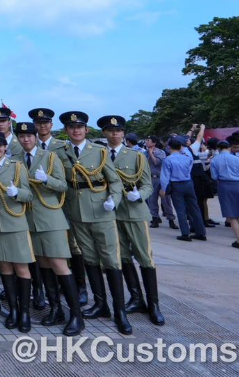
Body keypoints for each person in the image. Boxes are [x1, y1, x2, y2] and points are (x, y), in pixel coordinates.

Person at [53, 111, 131, 336]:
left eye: (79, 127)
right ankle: (100, 304)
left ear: (86, 130)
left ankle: (120, 311)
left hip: (101, 210)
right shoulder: (60, 153)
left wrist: (113, 200)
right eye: (71, 127)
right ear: (66, 131)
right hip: (76, 212)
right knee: (89, 259)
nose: (75, 130)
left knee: (111, 260)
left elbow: (114, 181)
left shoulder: (99, 151)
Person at [12, 123, 84, 335]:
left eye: (29, 136)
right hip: (29, 219)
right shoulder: (15, 160)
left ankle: (76, 315)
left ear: (36, 137)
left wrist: (47, 180)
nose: (26, 139)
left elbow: (62, 185)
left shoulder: (50, 157)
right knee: (43, 264)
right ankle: (55, 309)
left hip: (50, 217)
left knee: (59, 264)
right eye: (21, 136)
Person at [98, 115, 164, 326]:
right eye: (110, 131)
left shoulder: (136, 156)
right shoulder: (99, 155)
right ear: (104, 133)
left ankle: (154, 305)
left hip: (133, 211)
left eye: (118, 131)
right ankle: (136, 298)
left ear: (123, 133)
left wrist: (140, 195)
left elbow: (147, 185)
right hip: (111, 213)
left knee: (145, 257)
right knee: (123, 257)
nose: (114, 134)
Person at [0, 132, 35, 333]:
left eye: (0, 145)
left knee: (21, 268)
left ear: (5, 147)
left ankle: (25, 312)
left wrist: (17, 192)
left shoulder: (17, 166)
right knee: (5, 268)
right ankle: (13, 310)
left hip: (15, 222)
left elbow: (29, 195)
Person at [160, 138, 207, 243]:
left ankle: (185, 233)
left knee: (180, 210)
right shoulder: (187, 157)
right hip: (188, 183)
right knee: (195, 208)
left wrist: (163, 189)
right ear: (180, 147)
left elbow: (165, 176)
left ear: (169, 147)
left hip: (176, 185)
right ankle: (201, 233)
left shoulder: (168, 160)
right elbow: (189, 170)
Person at [210, 142, 239, 249]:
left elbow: (214, 176)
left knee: (232, 215)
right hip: (238, 183)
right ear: (229, 147)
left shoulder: (215, 160)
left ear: (218, 148)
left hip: (224, 186)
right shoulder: (236, 159)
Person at [145, 136, 176, 229]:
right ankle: (155, 219)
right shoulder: (144, 153)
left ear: (154, 143)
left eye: (148, 140)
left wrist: (151, 153)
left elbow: (157, 162)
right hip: (151, 179)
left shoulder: (160, 152)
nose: (146, 142)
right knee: (152, 201)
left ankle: (171, 219)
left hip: (161, 178)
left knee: (166, 201)